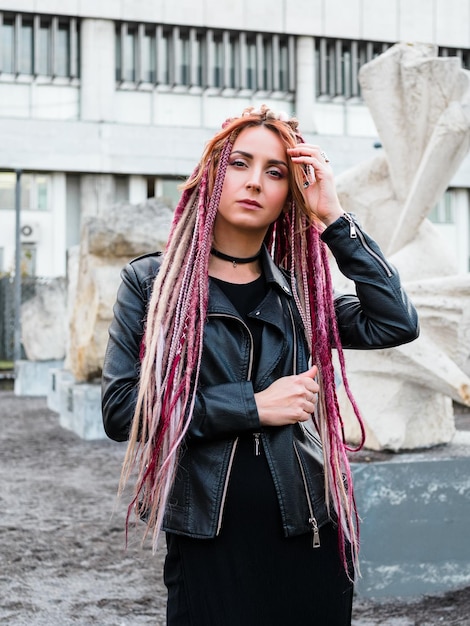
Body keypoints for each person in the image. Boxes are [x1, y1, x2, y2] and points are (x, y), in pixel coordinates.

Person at [101, 105, 419, 626]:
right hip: (209, 542)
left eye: (274, 172)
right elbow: (121, 412)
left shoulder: (303, 292)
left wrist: (336, 219)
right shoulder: (153, 287)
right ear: (211, 174)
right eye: (239, 164)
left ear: (288, 194)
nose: (254, 183)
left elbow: (396, 322)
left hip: (311, 533)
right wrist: (253, 406)